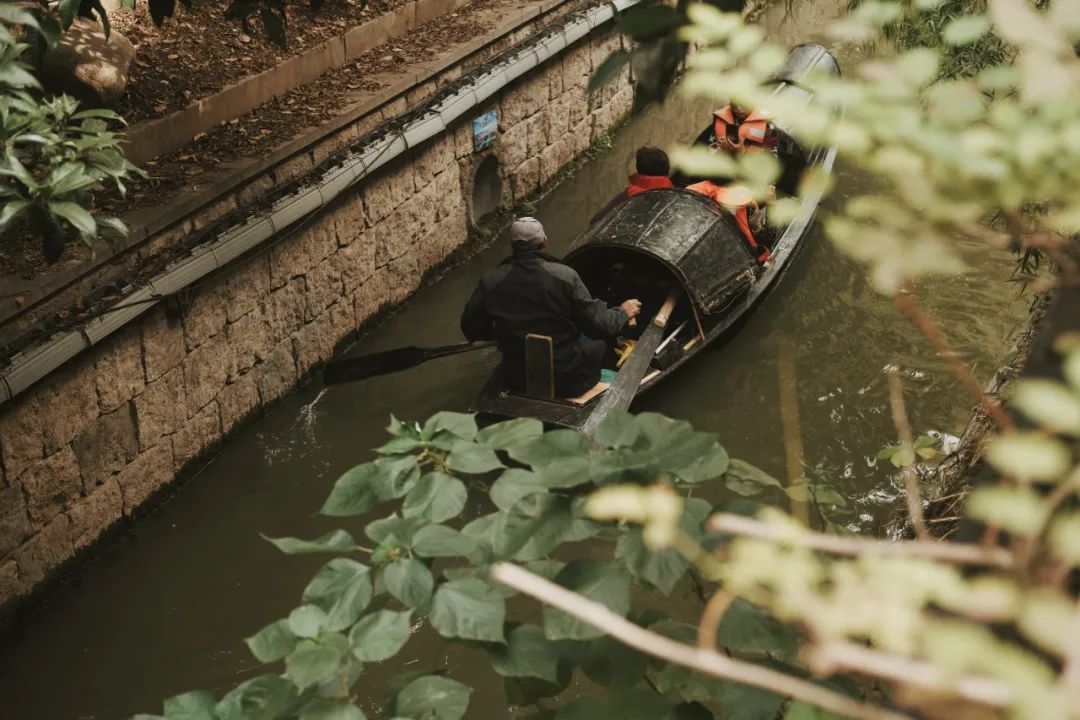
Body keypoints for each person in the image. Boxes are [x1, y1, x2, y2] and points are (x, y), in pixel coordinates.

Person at [461, 217, 642, 397]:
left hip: (517, 378)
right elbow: (600, 326)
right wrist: (623, 312)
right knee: (601, 344)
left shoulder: (490, 281)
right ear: (544, 242)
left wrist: (505, 333)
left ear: (512, 245)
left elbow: (471, 329)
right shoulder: (565, 276)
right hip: (567, 379)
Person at [590, 146, 674, 224]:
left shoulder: (628, 195)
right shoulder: (672, 193)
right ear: (667, 170)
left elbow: (596, 220)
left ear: (639, 170)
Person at [709, 103, 778, 154]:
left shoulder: (768, 125)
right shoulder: (720, 119)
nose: (739, 109)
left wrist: (741, 153)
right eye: (734, 104)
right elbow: (709, 148)